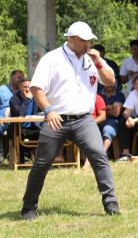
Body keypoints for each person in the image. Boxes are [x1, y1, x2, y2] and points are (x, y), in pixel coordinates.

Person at [21, 21, 119, 220]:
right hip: (57, 118)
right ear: (70, 39)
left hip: (84, 119)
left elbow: (110, 81)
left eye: (89, 40)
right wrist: (48, 110)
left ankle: (111, 206)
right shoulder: (52, 59)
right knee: (42, 163)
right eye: (83, 40)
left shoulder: (93, 58)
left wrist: (99, 62)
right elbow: (36, 88)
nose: (87, 44)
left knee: (99, 157)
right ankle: (28, 207)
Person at [8, 78, 42, 163]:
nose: (27, 89)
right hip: (17, 129)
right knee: (18, 138)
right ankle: (20, 161)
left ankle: (40, 162)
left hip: (32, 128)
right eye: (25, 87)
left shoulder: (35, 98)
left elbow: (41, 111)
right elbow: (20, 113)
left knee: (44, 135)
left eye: (29, 87)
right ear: (19, 87)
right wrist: (27, 99)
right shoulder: (14, 99)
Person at [83, 94, 108, 170]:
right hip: (74, 123)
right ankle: (60, 157)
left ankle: (88, 161)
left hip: (92, 123)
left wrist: (91, 122)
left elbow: (103, 116)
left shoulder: (96, 97)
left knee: (89, 130)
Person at [0, 70, 24, 139]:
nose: (20, 80)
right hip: (2, 121)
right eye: (19, 78)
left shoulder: (23, 92)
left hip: (18, 123)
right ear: (12, 78)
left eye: (22, 79)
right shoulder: (2, 90)